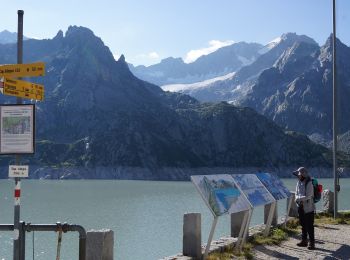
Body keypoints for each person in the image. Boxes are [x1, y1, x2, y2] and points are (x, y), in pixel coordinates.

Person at [294, 167, 315, 250]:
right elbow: (296, 193)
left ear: (303, 175)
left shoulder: (309, 183)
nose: (298, 176)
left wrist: (298, 198)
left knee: (309, 225)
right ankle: (304, 240)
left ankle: (312, 243)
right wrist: (298, 198)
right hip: (300, 206)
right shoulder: (298, 182)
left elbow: (309, 196)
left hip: (308, 207)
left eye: (299, 175)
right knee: (303, 224)